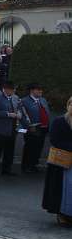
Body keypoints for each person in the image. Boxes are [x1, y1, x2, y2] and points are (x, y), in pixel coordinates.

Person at [42, 96, 72, 227]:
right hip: (63, 162)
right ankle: (63, 214)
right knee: (64, 189)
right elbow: (55, 140)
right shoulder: (60, 121)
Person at [0, 81, 22, 177]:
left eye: (14, 89)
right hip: (0, 129)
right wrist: (8, 114)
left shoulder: (15, 98)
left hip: (12, 128)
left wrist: (19, 114)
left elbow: (19, 108)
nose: (14, 91)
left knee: (9, 150)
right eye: (12, 89)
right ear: (6, 89)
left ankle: (6, 168)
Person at [21, 83, 51, 173]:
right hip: (32, 128)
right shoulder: (24, 101)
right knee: (30, 147)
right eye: (38, 89)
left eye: (41, 89)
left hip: (43, 127)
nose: (40, 91)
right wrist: (28, 126)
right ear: (32, 91)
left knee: (39, 147)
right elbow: (22, 116)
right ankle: (26, 166)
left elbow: (46, 112)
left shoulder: (43, 100)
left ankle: (34, 164)